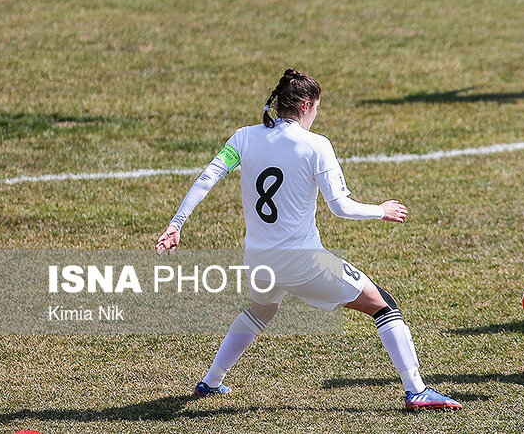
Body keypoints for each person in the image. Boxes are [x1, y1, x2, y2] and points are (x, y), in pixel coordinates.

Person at [155, 68, 462, 411]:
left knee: (262, 310)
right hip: (305, 261)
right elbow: (341, 207)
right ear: (304, 105)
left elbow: (207, 178)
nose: (316, 115)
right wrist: (381, 209)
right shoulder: (317, 145)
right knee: (383, 304)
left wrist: (176, 223)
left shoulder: (243, 138)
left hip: (258, 260)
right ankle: (416, 389)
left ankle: (211, 381)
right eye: (316, 107)